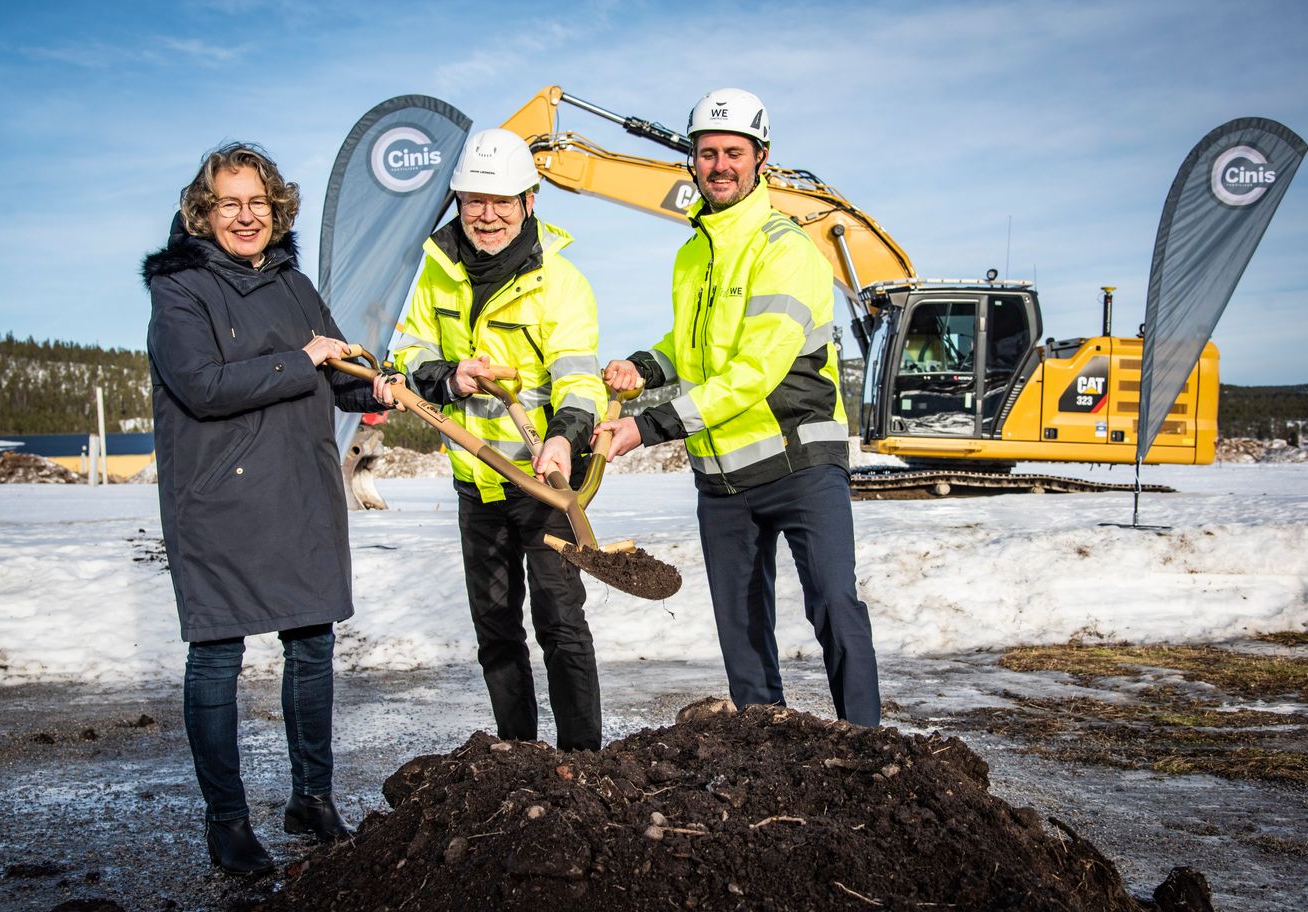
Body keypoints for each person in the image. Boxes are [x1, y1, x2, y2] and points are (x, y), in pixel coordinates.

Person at [596, 89, 880, 727]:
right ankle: (765, 748)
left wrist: (648, 427)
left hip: (800, 462)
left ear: (761, 159)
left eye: (733, 152)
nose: (719, 165)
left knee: (834, 602)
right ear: (691, 163)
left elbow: (754, 370)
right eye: (707, 153)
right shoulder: (693, 251)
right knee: (741, 625)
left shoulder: (786, 249)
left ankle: (867, 748)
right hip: (723, 476)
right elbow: (695, 343)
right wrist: (645, 367)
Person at [143, 142, 390, 874]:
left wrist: (376, 383)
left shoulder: (293, 283)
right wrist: (304, 360)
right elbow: (201, 386)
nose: (246, 216)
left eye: (259, 202)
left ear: (276, 209)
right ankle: (227, 822)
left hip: (302, 490)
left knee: (311, 647)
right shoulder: (180, 289)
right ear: (203, 210)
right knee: (217, 653)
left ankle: (311, 798)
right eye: (230, 203)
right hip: (219, 496)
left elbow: (337, 370)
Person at [381, 128, 607, 751]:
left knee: (560, 624)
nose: (487, 215)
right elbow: (410, 351)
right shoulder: (436, 274)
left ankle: (583, 760)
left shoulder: (563, 284)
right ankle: (518, 754)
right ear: (457, 203)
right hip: (476, 484)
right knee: (496, 630)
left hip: (544, 483)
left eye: (501, 200)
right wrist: (449, 376)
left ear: (529, 201)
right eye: (473, 200)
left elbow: (579, 378)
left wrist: (564, 438)